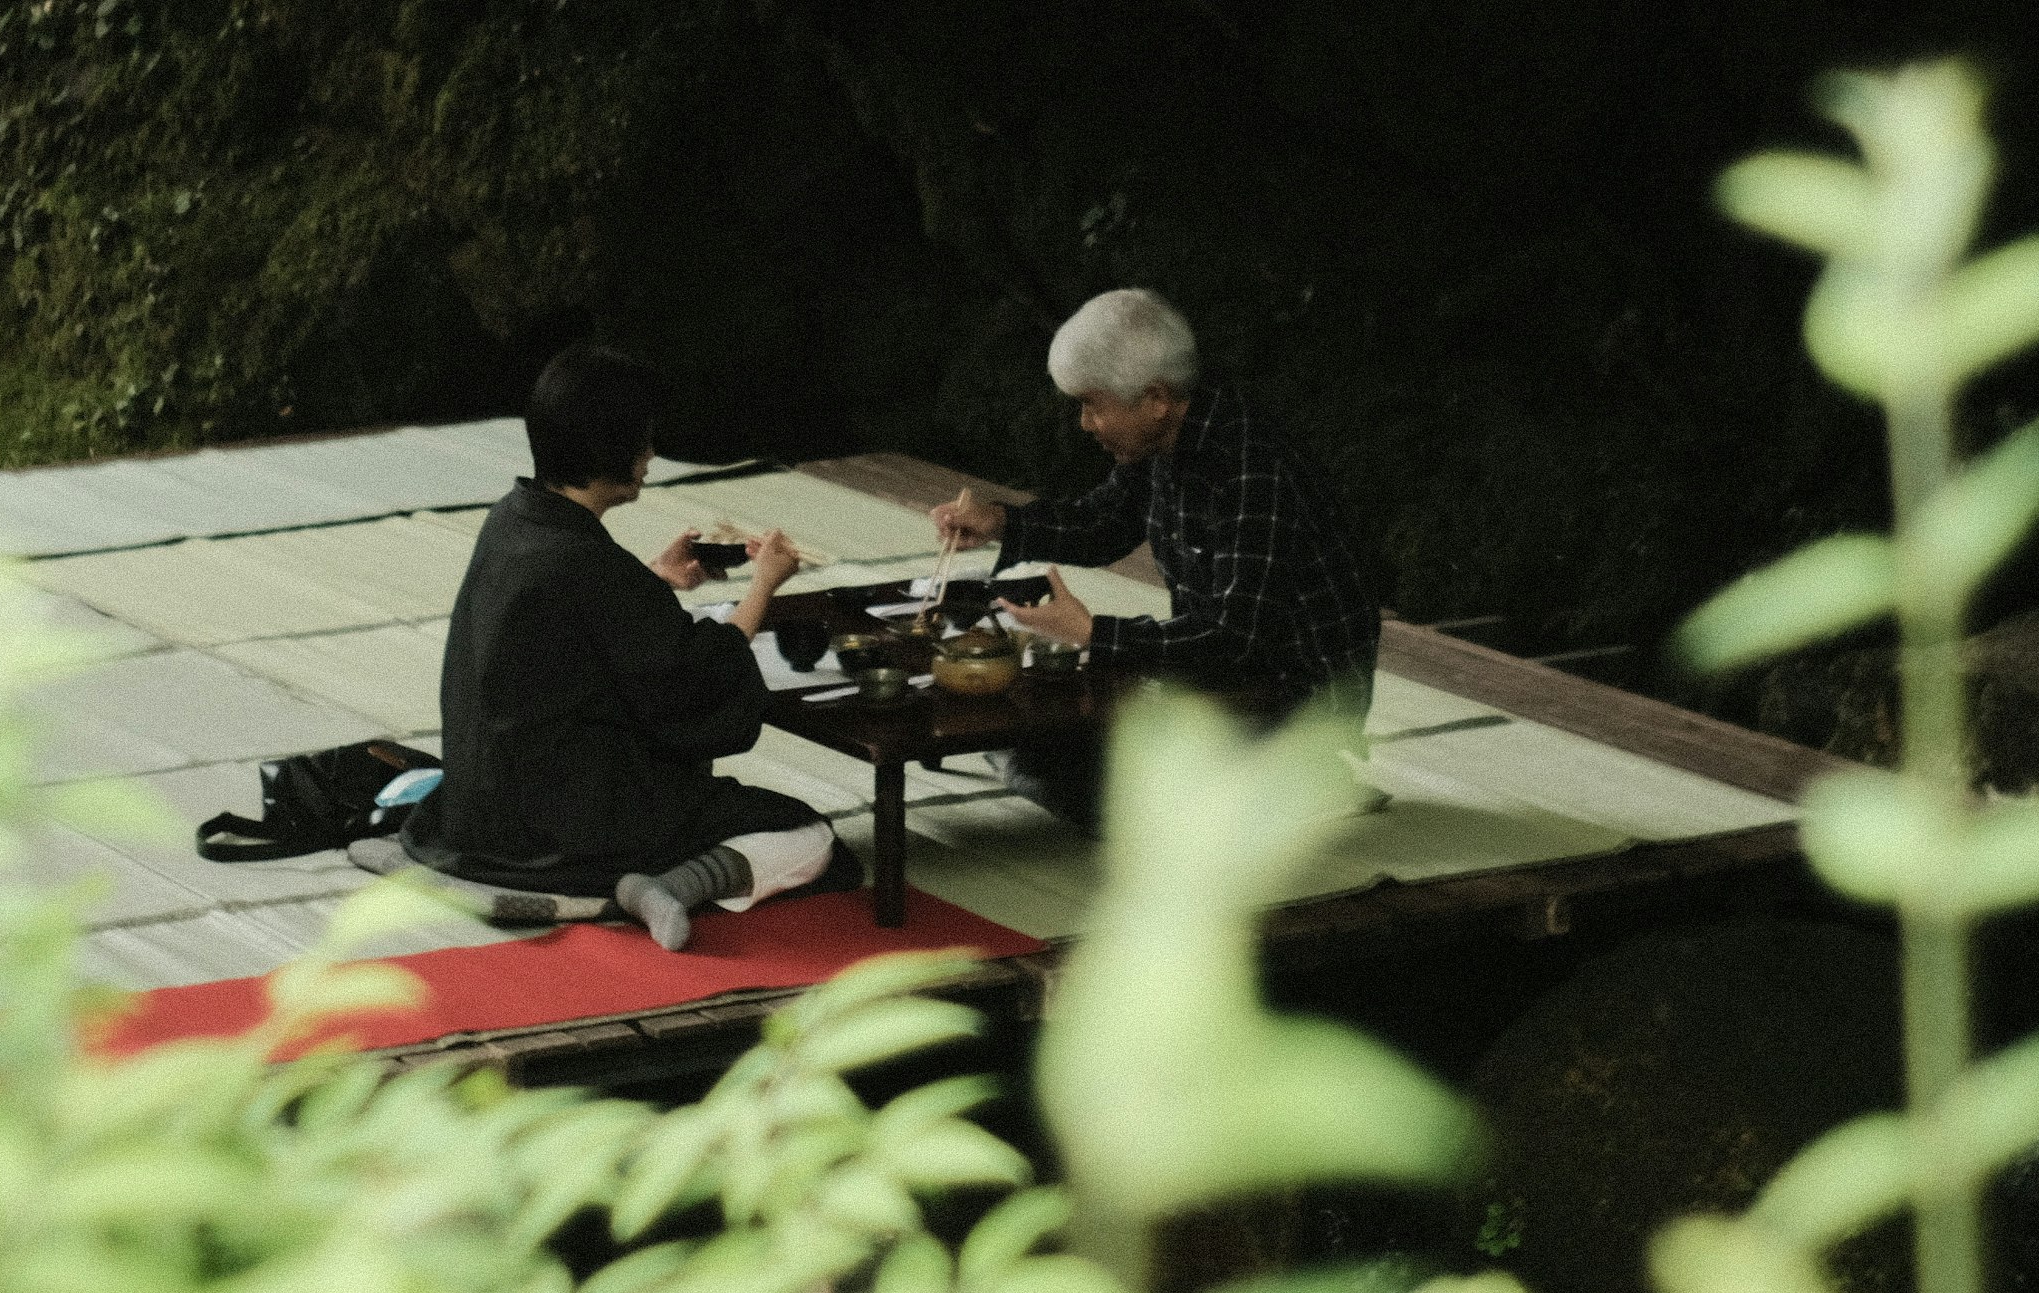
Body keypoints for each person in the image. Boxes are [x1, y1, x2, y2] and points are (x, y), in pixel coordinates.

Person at [404, 344, 849, 949]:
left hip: (481, 811)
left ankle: (624, 885)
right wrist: (763, 585)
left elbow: (576, 621)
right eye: (641, 443)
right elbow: (696, 683)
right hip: (572, 822)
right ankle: (663, 884)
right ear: (609, 448)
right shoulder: (590, 565)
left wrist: (653, 578)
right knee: (810, 835)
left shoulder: (513, 520)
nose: (650, 457)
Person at [930, 288, 1382, 824]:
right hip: (1214, 675)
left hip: (1289, 695)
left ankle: (1301, 776)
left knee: (1076, 783)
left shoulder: (1250, 466)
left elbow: (1233, 637)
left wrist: (1094, 633)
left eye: (1092, 404)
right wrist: (1001, 521)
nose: (1085, 423)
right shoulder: (1167, 435)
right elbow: (1106, 524)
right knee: (1048, 727)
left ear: (1156, 398)